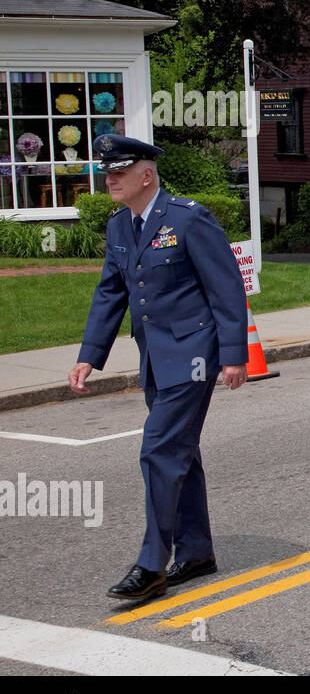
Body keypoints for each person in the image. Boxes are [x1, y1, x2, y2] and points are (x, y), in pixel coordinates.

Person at [70, 135, 247, 602]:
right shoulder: (120, 227)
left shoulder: (188, 219)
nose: (108, 179)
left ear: (145, 175)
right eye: (107, 172)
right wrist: (90, 354)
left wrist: (233, 355)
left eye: (118, 172)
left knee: (158, 451)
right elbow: (111, 293)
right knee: (180, 454)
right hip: (155, 357)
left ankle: (151, 565)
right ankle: (196, 550)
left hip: (192, 356)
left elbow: (226, 289)